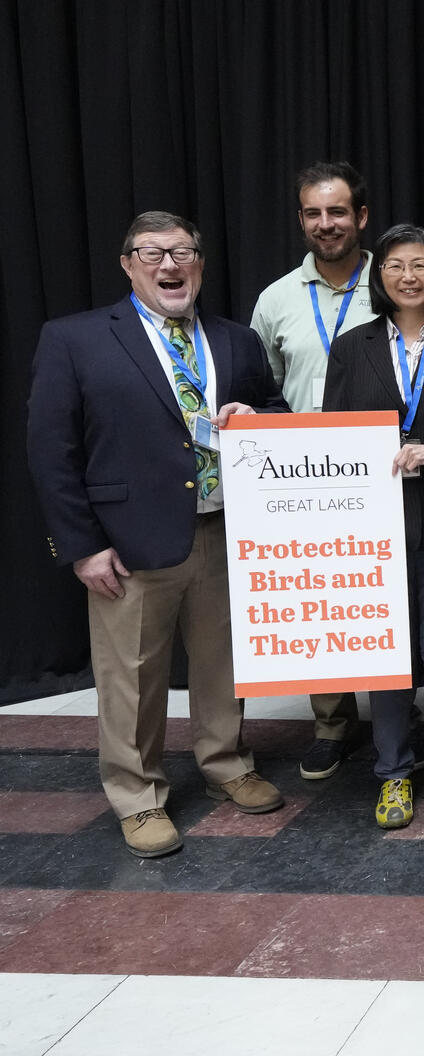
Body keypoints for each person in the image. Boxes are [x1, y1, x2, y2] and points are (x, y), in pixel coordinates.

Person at [27, 211, 289, 858]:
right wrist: (82, 545)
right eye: (152, 252)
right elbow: (50, 450)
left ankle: (227, 764)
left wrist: (256, 415)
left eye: (183, 251)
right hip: (129, 541)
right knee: (132, 678)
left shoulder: (235, 340)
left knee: (224, 666)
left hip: (225, 530)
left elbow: (276, 410)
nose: (169, 265)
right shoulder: (75, 339)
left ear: (200, 261)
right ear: (128, 264)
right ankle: (137, 795)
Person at [323, 224, 424, 829]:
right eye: (395, 265)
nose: (409, 276)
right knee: (384, 654)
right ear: (379, 275)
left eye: (420, 264)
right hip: (374, 525)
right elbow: (330, 436)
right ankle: (393, 773)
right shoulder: (352, 346)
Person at [249, 161, 375, 780]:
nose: (327, 224)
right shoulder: (275, 299)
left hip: (389, 468)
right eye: (314, 214)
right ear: (301, 220)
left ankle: (405, 720)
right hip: (307, 476)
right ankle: (332, 721)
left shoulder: (398, 281)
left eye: (338, 212)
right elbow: (261, 386)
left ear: (361, 217)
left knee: (388, 598)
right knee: (322, 602)